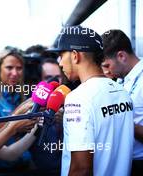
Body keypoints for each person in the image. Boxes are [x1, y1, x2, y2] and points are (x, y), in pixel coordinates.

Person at [50, 25, 134, 176]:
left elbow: (81, 169)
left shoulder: (78, 97)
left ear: (75, 55)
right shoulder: (123, 92)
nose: (60, 63)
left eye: (61, 56)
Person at [0, 47, 33, 173]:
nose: (15, 73)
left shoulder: (22, 95)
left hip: (23, 165)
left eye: (19, 68)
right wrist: (19, 113)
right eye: (9, 67)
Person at [101, 29, 143, 175]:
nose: (105, 72)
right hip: (122, 163)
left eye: (106, 65)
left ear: (121, 56)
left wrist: (122, 121)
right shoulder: (118, 79)